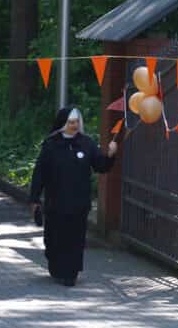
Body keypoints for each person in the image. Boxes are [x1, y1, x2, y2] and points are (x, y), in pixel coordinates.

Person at [29, 107, 117, 286]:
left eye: (76, 122)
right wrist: (35, 199)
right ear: (63, 124)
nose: (74, 125)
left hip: (79, 203)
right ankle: (57, 267)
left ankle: (71, 273)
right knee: (55, 239)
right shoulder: (51, 144)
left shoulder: (87, 143)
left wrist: (110, 155)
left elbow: (100, 166)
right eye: (70, 122)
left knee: (75, 240)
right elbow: (40, 173)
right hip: (56, 203)